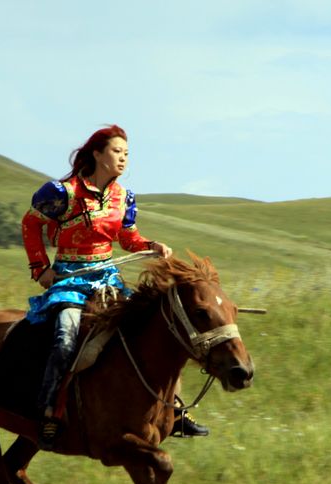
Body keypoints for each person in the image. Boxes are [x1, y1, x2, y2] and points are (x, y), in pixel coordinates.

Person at [21, 124, 209, 450]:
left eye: (126, 153)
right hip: (70, 280)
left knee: (157, 330)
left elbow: (126, 238)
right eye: (116, 151)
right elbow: (31, 222)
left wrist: (150, 245)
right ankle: (48, 411)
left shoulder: (124, 197)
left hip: (108, 281)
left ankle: (174, 409)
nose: (123, 158)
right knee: (66, 338)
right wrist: (41, 269)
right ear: (97, 154)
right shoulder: (62, 192)